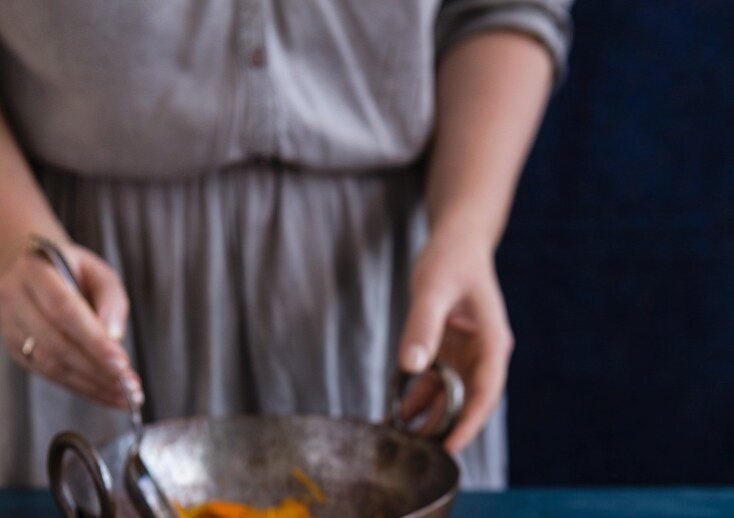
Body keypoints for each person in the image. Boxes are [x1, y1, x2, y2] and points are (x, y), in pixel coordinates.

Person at [0, 1, 572, 488]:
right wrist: (14, 238)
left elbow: (501, 8)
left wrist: (466, 229)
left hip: (387, 297)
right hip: (78, 280)